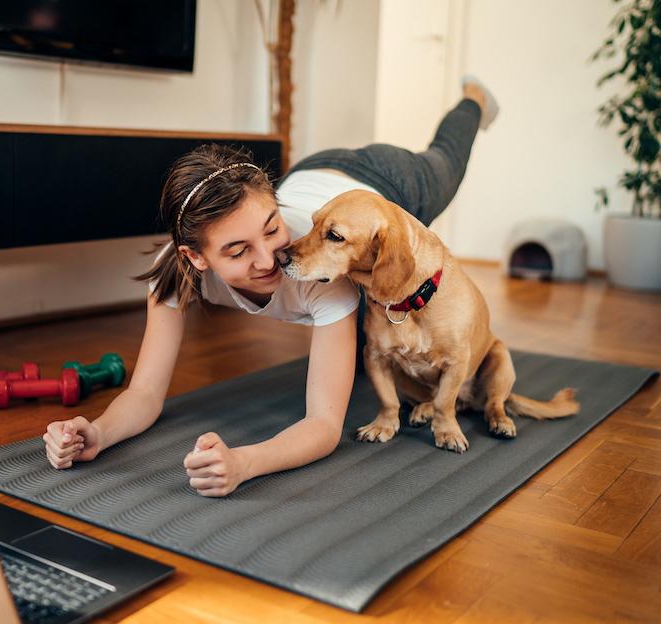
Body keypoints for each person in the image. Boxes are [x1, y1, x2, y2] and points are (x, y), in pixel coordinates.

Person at [43, 77, 499, 497]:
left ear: (275, 205)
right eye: (238, 251)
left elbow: (323, 425)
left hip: (387, 179)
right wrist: (98, 433)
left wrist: (245, 462)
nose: (270, 260)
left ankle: (474, 98)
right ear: (195, 257)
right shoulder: (176, 272)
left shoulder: (323, 275)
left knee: (446, 159)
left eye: (272, 227)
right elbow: (143, 393)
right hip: (321, 183)